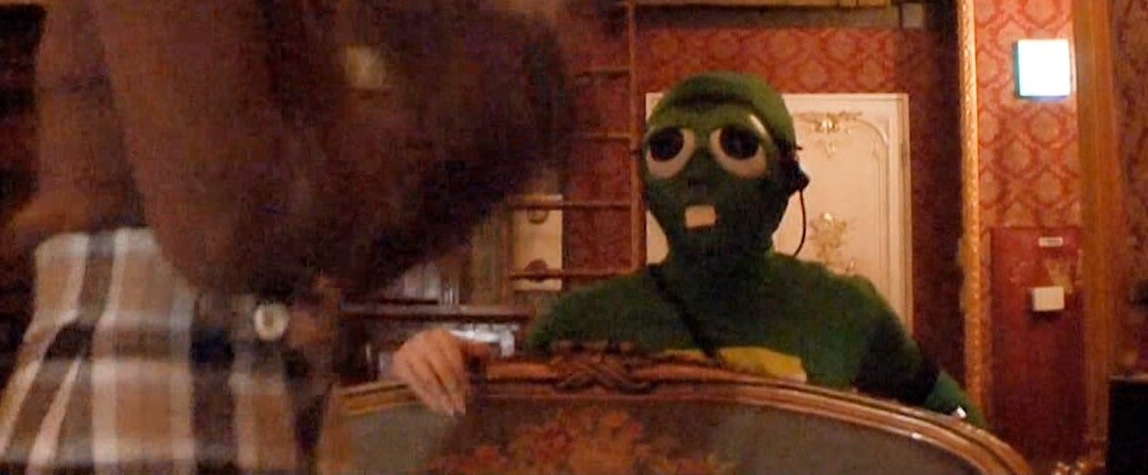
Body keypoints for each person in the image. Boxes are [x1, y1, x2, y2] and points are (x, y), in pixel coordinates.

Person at [0, 0, 620, 473]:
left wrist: (517, 51)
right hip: (139, 422)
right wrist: (501, 56)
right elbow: (229, 224)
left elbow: (346, 245)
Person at [393, 71, 986, 427]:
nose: (699, 171)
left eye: (734, 145)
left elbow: (956, 424)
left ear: (785, 178)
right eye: (670, 148)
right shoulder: (581, 321)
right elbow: (504, 426)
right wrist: (435, 360)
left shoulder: (845, 311)